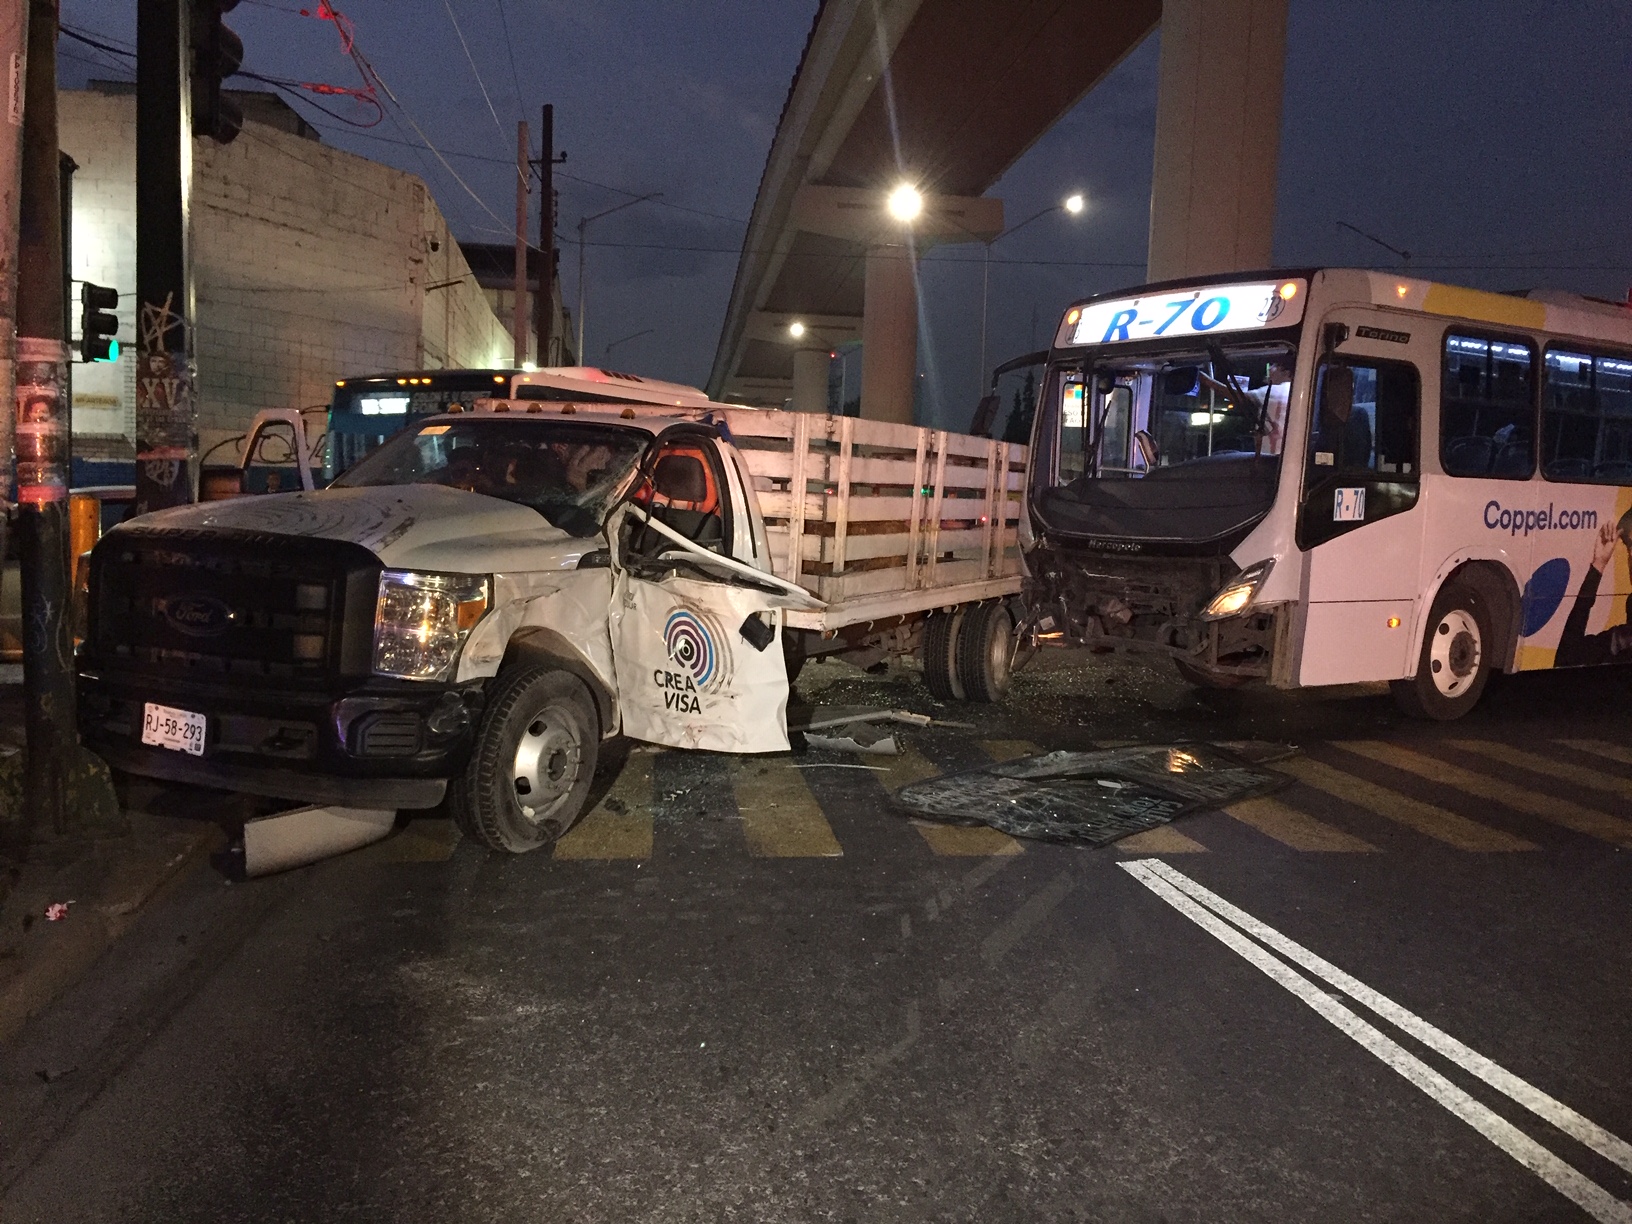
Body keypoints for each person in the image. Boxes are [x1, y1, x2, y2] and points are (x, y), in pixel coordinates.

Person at [1554, 507, 1632, 667]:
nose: (1631, 556)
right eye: (1629, 547)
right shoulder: (1623, 637)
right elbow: (1567, 659)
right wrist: (1598, 566)